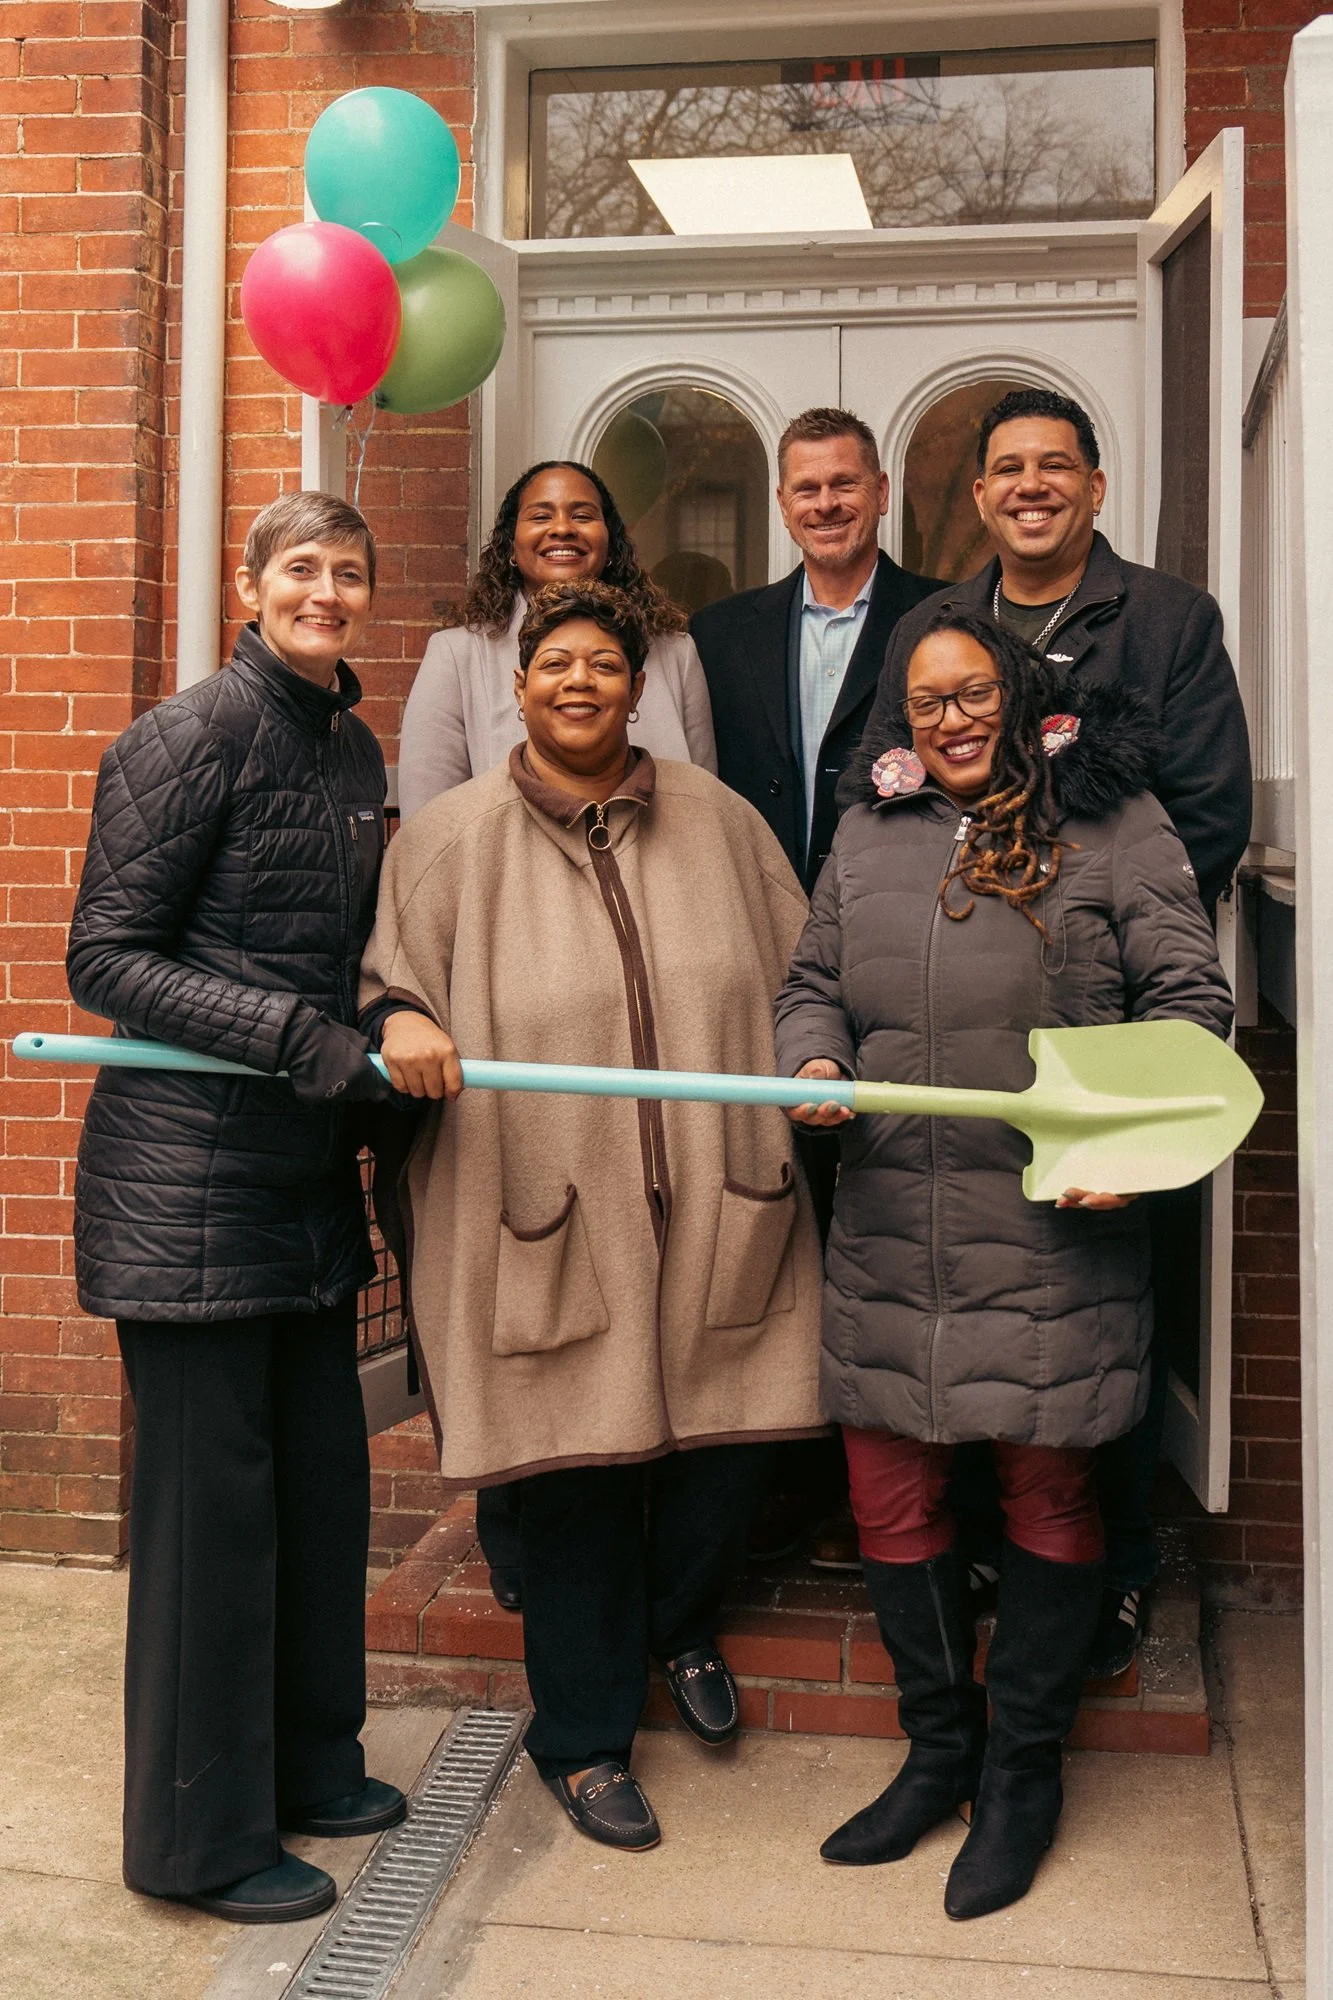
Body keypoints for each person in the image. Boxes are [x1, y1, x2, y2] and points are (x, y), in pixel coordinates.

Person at [775, 610, 1234, 1918]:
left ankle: (1022, 1777)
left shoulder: (1114, 821)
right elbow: (810, 976)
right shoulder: (867, 833)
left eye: (973, 692)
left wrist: (1132, 1151)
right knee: (889, 1500)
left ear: (1022, 692)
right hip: (888, 1231)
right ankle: (938, 1757)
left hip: (1051, 1229)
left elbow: (1189, 1008)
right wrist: (809, 1056)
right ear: (901, 726)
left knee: (1046, 1499)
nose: (951, 720)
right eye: (925, 705)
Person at [359, 579, 824, 1852]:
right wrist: (399, 1017)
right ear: (517, 687)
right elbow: (387, 979)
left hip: (726, 1199)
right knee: (568, 1481)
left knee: (735, 1443)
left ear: (638, 687)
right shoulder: (448, 839)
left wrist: (821, 1063)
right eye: (553, 662)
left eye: (603, 665)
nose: (579, 682)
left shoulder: (721, 822)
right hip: (549, 1211)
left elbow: (806, 978)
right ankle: (583, 1740)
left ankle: (673, 1628)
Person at [853, 386, 1253, 1675]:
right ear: (977, 497)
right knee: (964, 1319)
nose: (1030, 486)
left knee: (1087, 1311)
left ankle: (1116, 1570)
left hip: (1100, 1023)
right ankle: (991, 1558)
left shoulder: (1169, 620)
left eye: (1054, 467)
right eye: (1005, 469)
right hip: (947, 1039)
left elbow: (1202, 814)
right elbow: (880, 779)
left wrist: (1069, 922)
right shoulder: (933, 625)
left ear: (1092, 483)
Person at [66, 494, 404, 1926]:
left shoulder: (351, 745)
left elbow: (358, 949)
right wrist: (289, 1034)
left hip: (306, 1193)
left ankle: (308, 1767)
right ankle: (199, 1843)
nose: (325, 592)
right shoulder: (191, 734)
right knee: (215, 1531)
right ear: (252, 589)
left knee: (320, 1497)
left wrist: (383, 1027)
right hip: (189, 1195)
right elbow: (106, 954)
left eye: (348, 573)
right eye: (301, 571)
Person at [396, 458, 718, 1614]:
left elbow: (699, 801)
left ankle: (654, 1600)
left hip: (643, 968)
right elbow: (426, 811)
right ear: (510, 536)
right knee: (528, 1287)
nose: (563, 528)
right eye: (541, 514)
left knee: (659, 1295)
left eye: (583, 510)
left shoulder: (669, 648)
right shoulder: (457, 650)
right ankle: (529, 1539)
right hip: (508, 964)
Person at [690, 405, 940, 1569]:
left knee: (883, 1219)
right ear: (782, 502)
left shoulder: (942, 618)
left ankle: (894, 1490)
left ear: (879, 492)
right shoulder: (721, 633)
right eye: (805, 489)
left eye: (845, 484)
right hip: (754, 961)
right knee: (770, 1226)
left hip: (897, 956)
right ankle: (783, 1487)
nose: (826, 504)